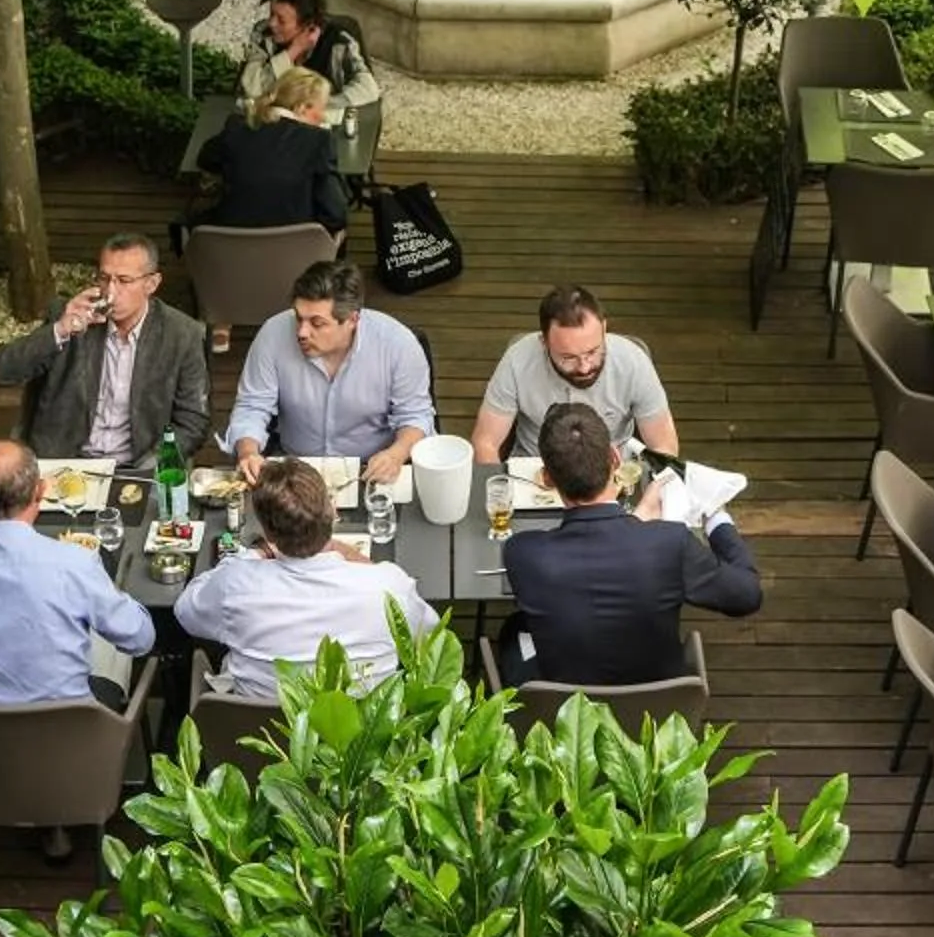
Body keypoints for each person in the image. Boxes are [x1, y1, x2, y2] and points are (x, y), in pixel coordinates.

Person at [498, 403, 758, 686]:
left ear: (547, 478)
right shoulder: (670, 543)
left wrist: (637, 522)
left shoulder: (522, 553)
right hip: (655, 707)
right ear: (615, 458)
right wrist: (716, 515)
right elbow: (747, 596)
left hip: (570, 713)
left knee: (514, 630)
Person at [175, 458, 437, 703]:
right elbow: (428, 633)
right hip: (362, 746)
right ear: (332, 511)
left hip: (261, 741)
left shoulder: (235, 585)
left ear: (268, 532)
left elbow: (186, 612)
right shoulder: (388, 586)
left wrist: (254, 554)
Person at [0, 439, 157, 707]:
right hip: (74, 732)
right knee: (108, 640)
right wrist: (111, 594)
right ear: (42, 490)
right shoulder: (75, 562)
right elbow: (141, 638)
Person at [0, 233, 209, 462]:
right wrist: (60, 330)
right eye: (104, 278)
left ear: (151, 284)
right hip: (66, 464)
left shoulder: (182, 335)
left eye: (124, 281)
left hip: (138, 466)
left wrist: (153, 465)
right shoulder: (69, 315)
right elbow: (1, 372)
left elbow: (193, 422)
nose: (111, 292)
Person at [220, 261, 434, 484]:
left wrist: (395, 455)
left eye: (317, 323)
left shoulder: (398, 345)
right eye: (298, 317)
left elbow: (415, 416)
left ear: (352, 320)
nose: (302, 332)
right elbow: (252, 406)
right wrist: (248, 452)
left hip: (371, 470)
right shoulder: (272, 335)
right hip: (294, 469)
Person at [469, 284, 679, 462]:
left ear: (604, 329)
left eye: (593, 352)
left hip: (614, 472)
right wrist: (500, 490)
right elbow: (485, 441)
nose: (585, 367)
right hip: (535, 469)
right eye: (568, 358)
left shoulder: (633, 362)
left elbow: (664, 445)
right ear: (544, 343)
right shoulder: (517, 361)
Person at [199, 67, 349, 238]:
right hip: (296, 252)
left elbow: (206, 158)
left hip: (234, 247)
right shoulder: (319, 140)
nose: (323, 117)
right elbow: (335, 215)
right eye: (321, 109)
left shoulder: (238, 128)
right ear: (302, 107)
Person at [235, 0, 381, 124]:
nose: (272, 23)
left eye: (281, 20)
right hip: (274, 124)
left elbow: (369, 88)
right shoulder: (264, 35)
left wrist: (318, 106)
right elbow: (252, 88)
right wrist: (293, 51)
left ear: (307, 25)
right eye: (271, 14)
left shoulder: (339, 44)